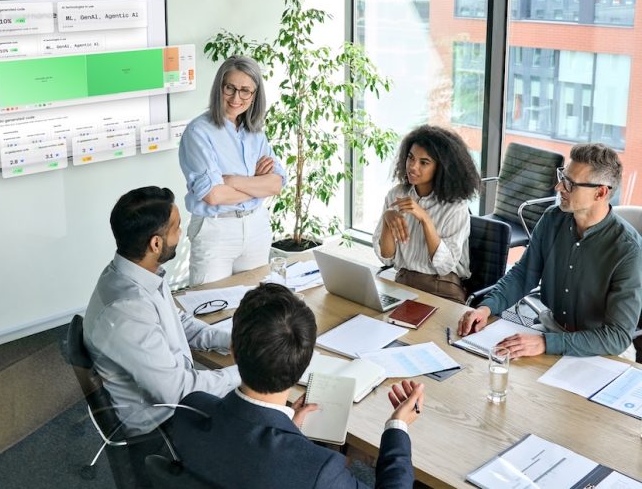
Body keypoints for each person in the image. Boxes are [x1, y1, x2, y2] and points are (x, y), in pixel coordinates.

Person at [170, 283, 424, 488]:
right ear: (304, 365)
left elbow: (243, 456)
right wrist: (397, 427)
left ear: (234, 352)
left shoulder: (189, 410)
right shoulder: (318, 470)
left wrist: (289, 430)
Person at [82, 186, 240, 487]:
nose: (183, 234)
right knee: (263, 422)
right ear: (156, 243)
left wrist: (227, 340)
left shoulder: (135, 272)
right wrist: (246, 373)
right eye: (177, 228)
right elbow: (178, 392)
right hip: (162, 431)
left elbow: (177, 322)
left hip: (171, 400)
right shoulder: (126, 310)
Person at [457, 143, 642, 360]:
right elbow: (523, 275)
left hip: (601, 350)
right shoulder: (552, 219)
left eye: (570, 184)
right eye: (562, 177)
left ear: (600, 193)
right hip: (551, 330)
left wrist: (546, 343)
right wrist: (486, 308)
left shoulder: (628, 250)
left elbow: (617, 337)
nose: (558, 187)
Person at [179, 55, 286, 287]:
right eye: (230, 88)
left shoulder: (256, 132)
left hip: (256, 227)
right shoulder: (199, 132)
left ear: (255, 95)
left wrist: (232, 180)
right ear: (220, 87)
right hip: (216, 229)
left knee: (256, 308)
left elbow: (276, 184)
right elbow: (213, 195)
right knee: (211, 308)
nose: (236, 97)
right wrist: (257, 184)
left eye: (245, 90)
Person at [373, 125, 481, 303]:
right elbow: (387, 258)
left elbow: (445, 266)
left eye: (424, 162)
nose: (413, 167)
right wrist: (387, 220)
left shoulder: (455, 207)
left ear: (442, 168)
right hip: (403, 282)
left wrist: (425, 219)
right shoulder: (396, 195)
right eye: (410, 158)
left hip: (442, 288)